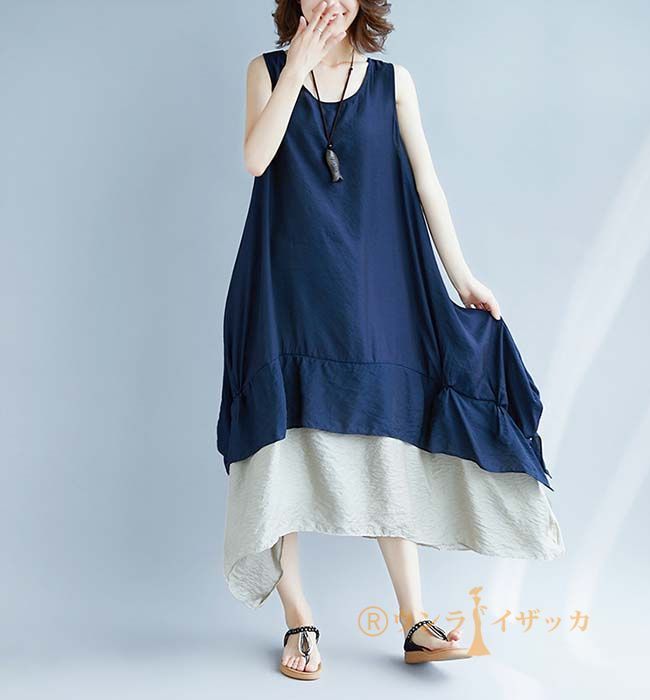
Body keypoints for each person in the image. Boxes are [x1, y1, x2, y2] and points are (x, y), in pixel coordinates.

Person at [217, 0, 564, 680]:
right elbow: (257, 159)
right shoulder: (265, 71)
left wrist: (462, 277)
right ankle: (298, 618)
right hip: (283, 290)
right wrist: (299, 65)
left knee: (384, 442)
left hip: (371, 294)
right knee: (278, 450)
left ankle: (414, 620)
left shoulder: (392, 82)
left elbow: (427, 183)